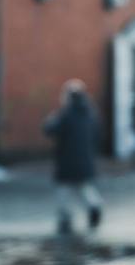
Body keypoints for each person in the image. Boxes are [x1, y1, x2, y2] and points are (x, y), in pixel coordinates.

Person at [42, 79, 102, 237]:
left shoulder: (66, 114)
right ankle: (94, 207)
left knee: (63, 191)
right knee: (84, 187)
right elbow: (97, 134)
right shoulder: (90, 112)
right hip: (85, 159)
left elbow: (50, 130)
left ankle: (65, 219)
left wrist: (49, 121)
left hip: (67, 160)